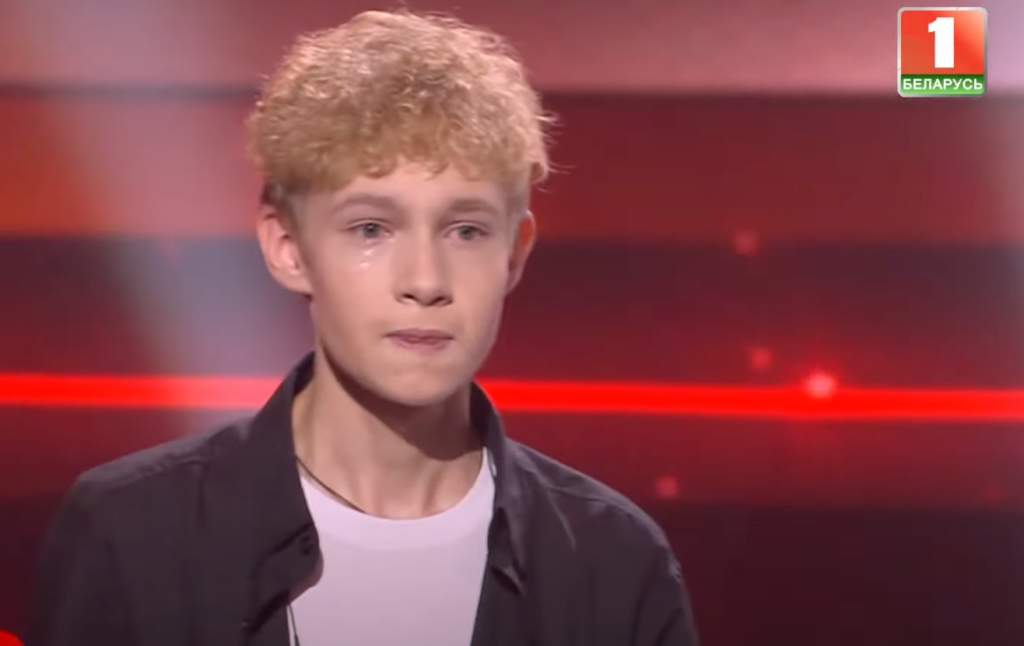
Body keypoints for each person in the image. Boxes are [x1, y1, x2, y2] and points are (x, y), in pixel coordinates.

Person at [26, 9, 699, 646]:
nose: (425, 281)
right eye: (371, 228)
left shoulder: (613, 563)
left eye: (466, 231)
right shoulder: (131, 534)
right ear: (288, 246)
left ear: (515, 253)